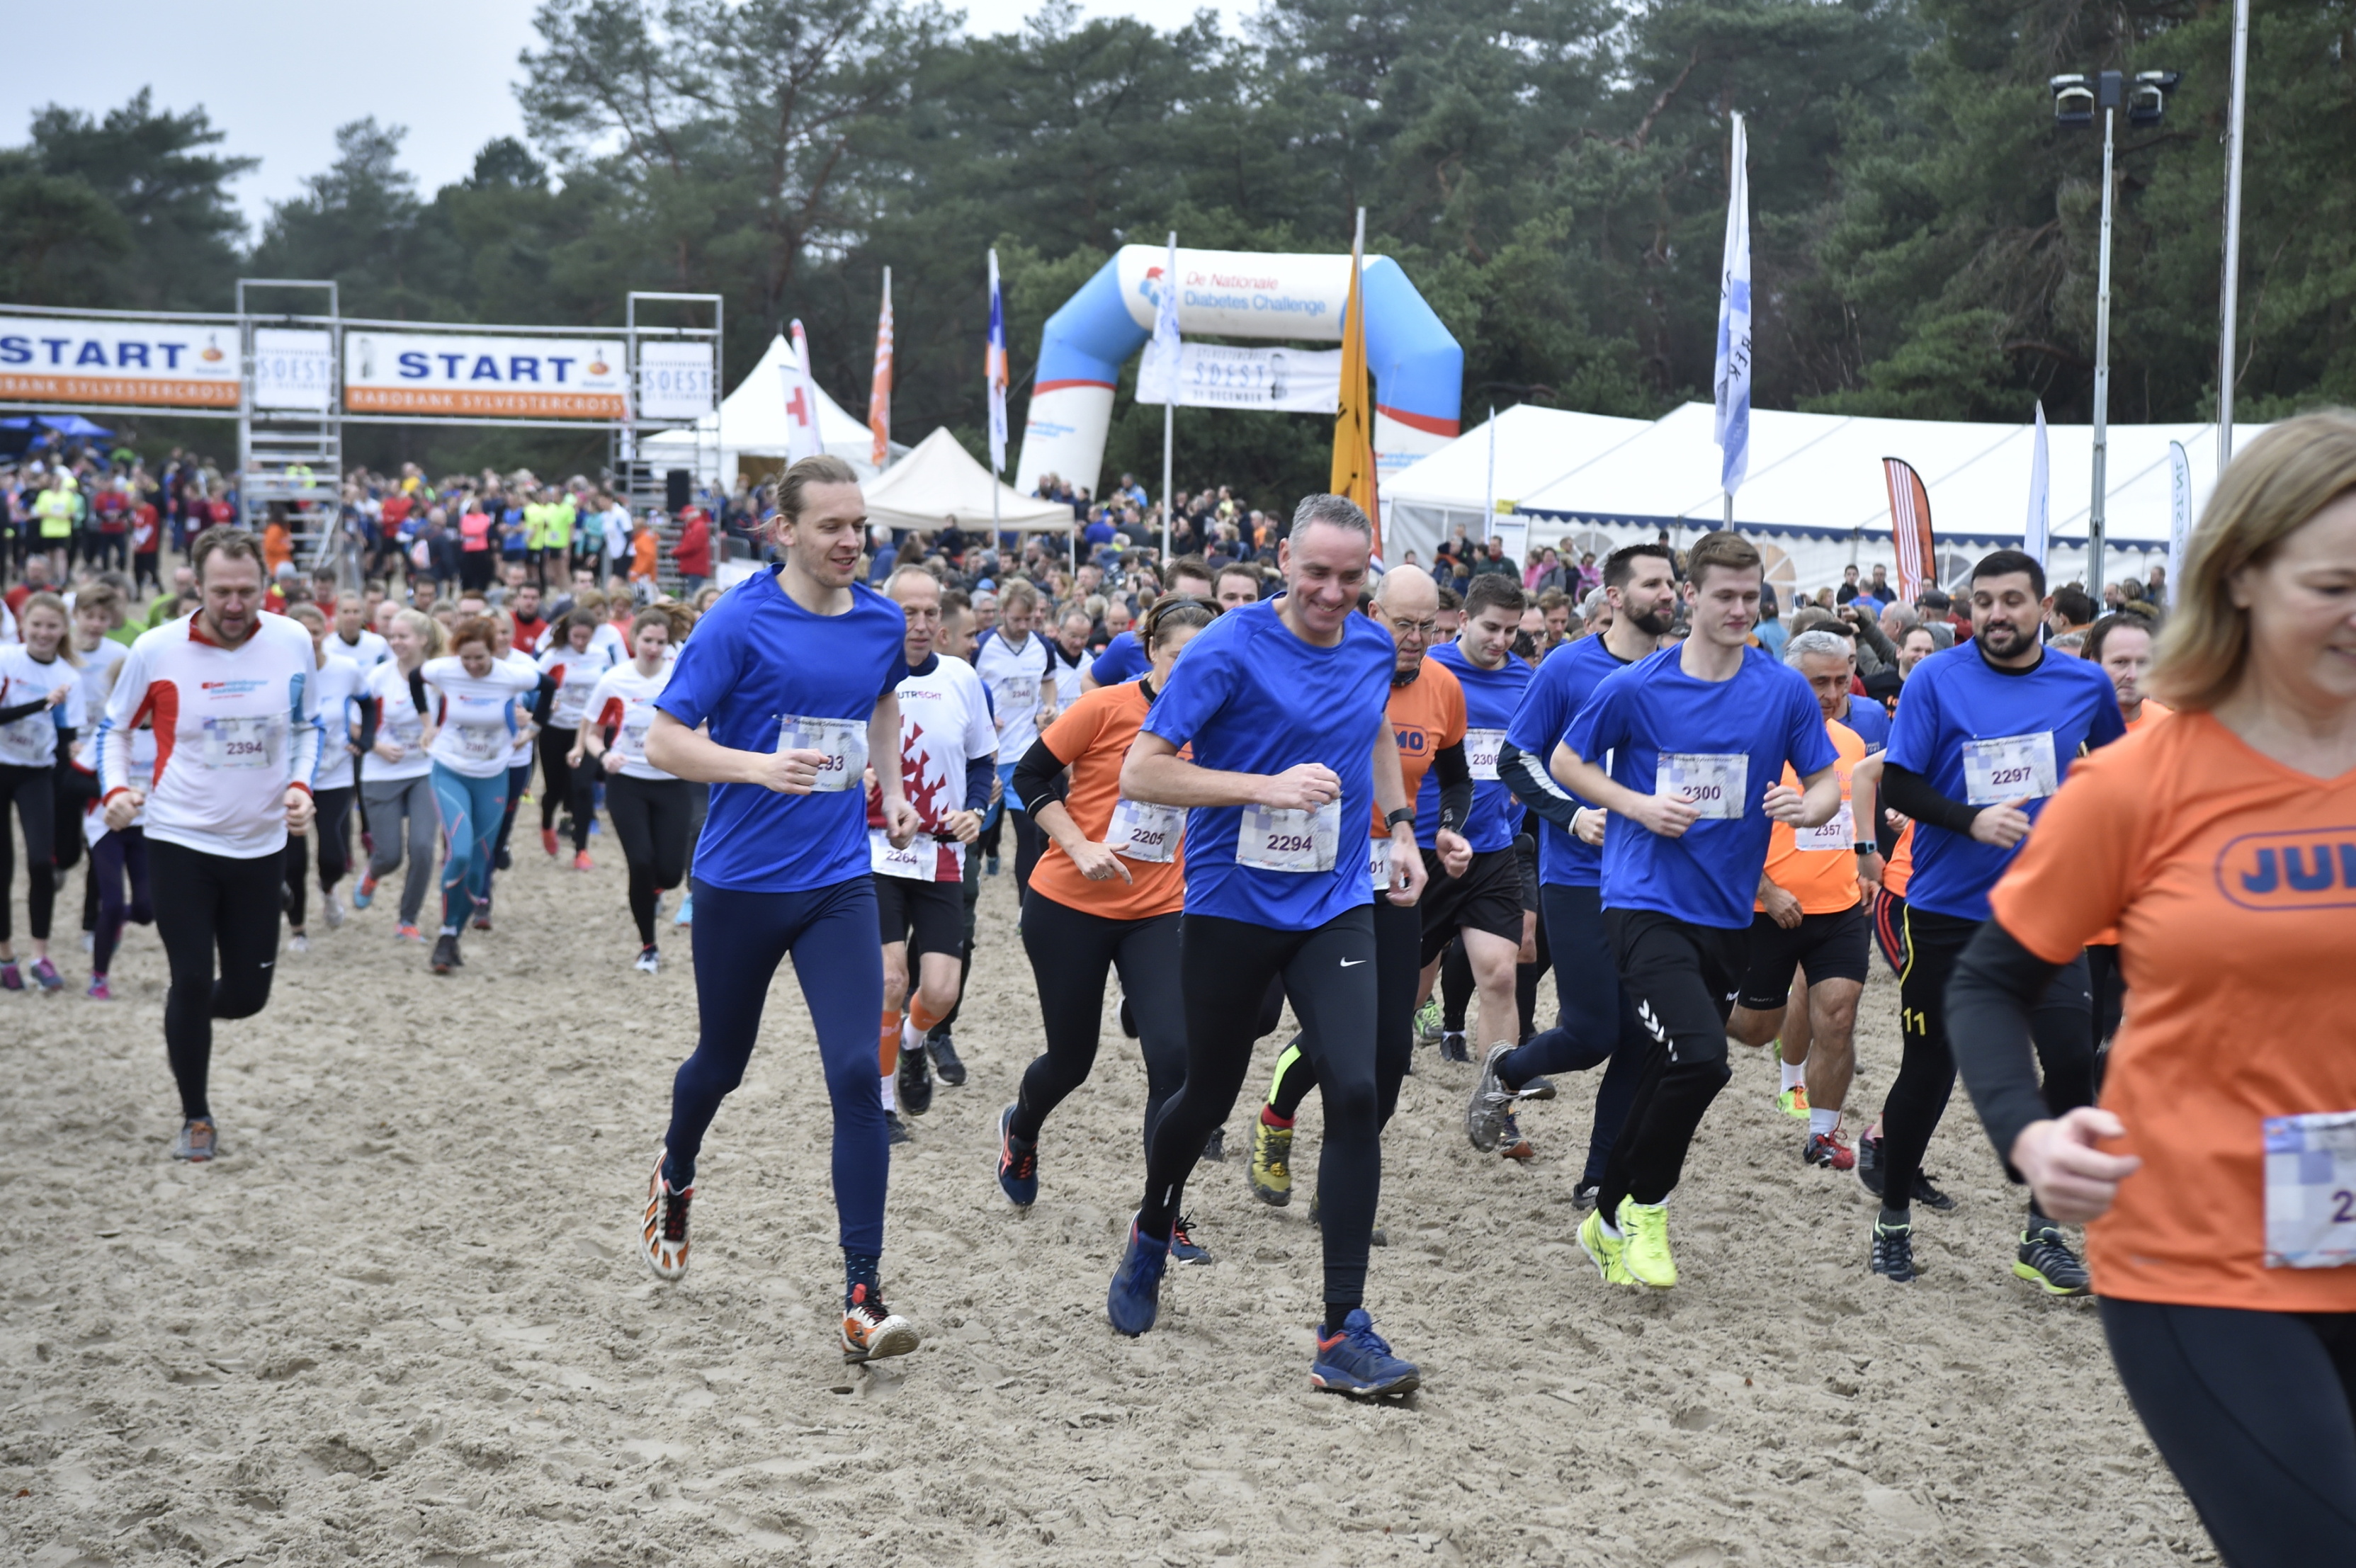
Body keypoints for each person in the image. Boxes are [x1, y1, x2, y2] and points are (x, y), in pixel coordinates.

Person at [1949, 414, 2356, 1566]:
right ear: (2240, 575)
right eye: (2334, 586)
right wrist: (2028, 1133)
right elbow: (1989, 982)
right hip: (2203, 1253)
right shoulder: (2136, 784)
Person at [1103, 494, 1431, 1399]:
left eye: (1349, 577)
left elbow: (1371, 728)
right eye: (1315, 572)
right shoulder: (1226, 648)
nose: (1330, 592)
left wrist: (1400, 825)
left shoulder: (1371, 647)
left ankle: (1340, 1331)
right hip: (1231, 906)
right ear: (1283, 559)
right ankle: (1152, 1225)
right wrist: (1264, 787)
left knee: (1357, 1087)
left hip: (1333, 900)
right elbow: (1142, 771)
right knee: (1205, 1094)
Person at [636, 453, 925, 1367]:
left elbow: (880, 706)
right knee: (719, 1065)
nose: (850, 541)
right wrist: (755, 766)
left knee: (856, 1074)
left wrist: (892, 791)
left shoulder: (880, 620)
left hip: (837, 881)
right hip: (739, 884)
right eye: (831, 526)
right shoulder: (739, 620)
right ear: (784, 530)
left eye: (858, 525)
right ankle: (678, 1169)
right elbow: (664, 741)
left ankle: (862, 1297)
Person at [1551, 530, 1842, 1290]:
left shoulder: (1781, 690)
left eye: (1751, 597)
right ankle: (1647, 1208)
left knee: (1666, 1066)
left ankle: (1603, 1219)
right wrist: (1635, 805)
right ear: (1691, 596)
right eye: (1725, 596)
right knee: (1705, 1057)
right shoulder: (1637, 687)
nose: (1741, 610)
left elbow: (1824, 783)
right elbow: (1565, 761)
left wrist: (1806, 809)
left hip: (1726, 915)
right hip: (1642, 900)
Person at [1866, 548, 2125, 1288]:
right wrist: (1970, 820)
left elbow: (2121, 776)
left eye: (2011, 601)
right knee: (1929, 1071)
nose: (1995, 614)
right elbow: (1899, 783)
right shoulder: (1935, 679)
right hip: (1947, 912)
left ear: (2043, 608)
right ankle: (1892, 1217)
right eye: (1982, 602)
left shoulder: (2083, 684)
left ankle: (2041, 1235)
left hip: (2047, 910)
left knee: (2071, 1061)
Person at [1249, 565, 1469, 1232]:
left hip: (1393, 872)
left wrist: (1447, 830)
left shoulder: (1443, 687)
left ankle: (1340, 1183)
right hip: (1314, 868)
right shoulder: (1329, 668)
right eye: (1404, 624)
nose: (1416, 638)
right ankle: (1277, 1117)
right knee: (1335, 1031)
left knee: (1391, 1049)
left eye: (1429, 627)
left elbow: (1455, 776)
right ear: (1373, 615)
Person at [96, 526, 321, 1161]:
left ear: (266, 585)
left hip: (261, 843)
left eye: (248, 590)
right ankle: (196, 1117)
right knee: (192, 979)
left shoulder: (292, 640)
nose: (235, 604)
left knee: (246, 998)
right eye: (221, 591)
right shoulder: (156, 649)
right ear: (196, 585)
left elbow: (309, 726)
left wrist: (301, 786)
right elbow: (115, 730)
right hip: (180, 838)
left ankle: (184, 1018)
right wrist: (116, 789)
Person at [999, 594, 1214, 1215]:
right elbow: (1029, 776)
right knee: (1071, 1062)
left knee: (1174, 1061)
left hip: (1158, 911)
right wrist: (1077, 843)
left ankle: (1161, 1215)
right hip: (1068, 906)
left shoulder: (1219, 723)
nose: (1191, 672)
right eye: (1178, 657)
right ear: (1151, 652)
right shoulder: (1104, 707)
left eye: (1203, 660)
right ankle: (1021, 1130)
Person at [1493, 542, 1677, 1207]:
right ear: (1615, 595)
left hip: (1654, 882)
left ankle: (1600, 1177)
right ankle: (1506, 1071)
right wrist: (1572, 817)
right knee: (1593, 1033)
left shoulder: (1681, 671)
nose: (1667, 594)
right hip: (1577, 877)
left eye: (1673, 583)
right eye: (1653, 584)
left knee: (1644, 1037)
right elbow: (1515, 759)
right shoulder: (1568, 667)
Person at [1721, 629, 1883, 1170]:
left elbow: (1850, 815)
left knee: (1838, 1015)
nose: (1832, 694)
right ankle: (1694, 1010)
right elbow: (1722, 831)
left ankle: (1823, 1134)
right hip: (1767, 911)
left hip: (1838, 910)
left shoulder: (1851, 743)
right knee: (1755, 1029)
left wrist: (1863, 862)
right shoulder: (1753, 739)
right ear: (1790, 680)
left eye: (1841, 680)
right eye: (1819, 682)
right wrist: (1766, 888)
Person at [869, 567, 995, 1139]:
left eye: (929, 613)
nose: (919, 625)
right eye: (907, 613)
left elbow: (981, 760)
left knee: (941, 992)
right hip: (875, 848)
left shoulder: (962, 678)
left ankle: (914, 1042)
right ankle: (882, 1105)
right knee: (891, 981)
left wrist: (976, 809)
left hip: (941, 854)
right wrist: (855, 775)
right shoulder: (862, 673)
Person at [1412, 574, 1534, 1085]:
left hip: (1492, 848)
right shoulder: (1429, 670)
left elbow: (1537, 749)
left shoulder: (1526, 680)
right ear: (1462, 620)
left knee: (1501, 975)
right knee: (1410, 987)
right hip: (1424, 847)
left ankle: (1497, 1099)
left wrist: (1523, 780)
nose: (1501, 640)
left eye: (1511, 630)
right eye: (1491, 627)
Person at [417, 617, 541, 973]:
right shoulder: (445, 670)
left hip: (492, 778)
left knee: (477, 868)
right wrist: (428, 724)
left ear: (494, 651)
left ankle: (453, 935)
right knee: (458, 853)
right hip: (450, 771)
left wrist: (533, 728)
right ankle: (444, 935)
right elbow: (414, 678)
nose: (472, 666)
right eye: (466, 658)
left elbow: (548, 686)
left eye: (480, 659)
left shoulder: (511, 675)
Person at [577, 609, 686, 971]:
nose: (653, 648)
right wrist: (604, 756)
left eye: (660, 642)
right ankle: (648, 947)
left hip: (671, 781)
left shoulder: (679, 677)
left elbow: (703, 726)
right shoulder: (614, 680)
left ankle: (655, 890)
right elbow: (592, 733)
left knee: (670, 874)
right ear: (634, 639)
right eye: (647, 640)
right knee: (640, 862)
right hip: (626, 782)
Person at [0, 591, 84, 991]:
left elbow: (68, 743)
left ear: (64, 629)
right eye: (37, 625)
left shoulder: (70, 678)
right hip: (0, 767)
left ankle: (40, 956)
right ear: (23, 625)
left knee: (40, 863)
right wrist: (41, 704)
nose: (44, 633)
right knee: (2, 868)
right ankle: (5, 957)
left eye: (52, 626)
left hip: (37, 775)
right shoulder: (6, 659)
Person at [282, 603, 366, 949]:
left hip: (335, 775)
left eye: (315, 632)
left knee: (333, 857)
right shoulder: (277, 673)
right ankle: (298, 930)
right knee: (294, 862)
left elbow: (369, 702)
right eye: (303, 633)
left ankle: (329, 888)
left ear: (325, 632)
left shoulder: (345, 669)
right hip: (289, 781)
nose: (310, 640)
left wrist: (366, 740)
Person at [354, 609, 441, 941]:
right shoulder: (378, 677)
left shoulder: (438, 676)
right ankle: (373, 873)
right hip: (382, 770)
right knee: (389, 855)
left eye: (403, 636)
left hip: (424, 770)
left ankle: (407, 920)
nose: (396, 642)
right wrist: (377, 746)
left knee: (422, 847)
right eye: (392, 636)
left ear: (423, 639)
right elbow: (353, 723)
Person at [972, 579, 1058, 890]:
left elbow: (1048, 680)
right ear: (1003, 612)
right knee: (981, 832)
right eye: (1016, 619)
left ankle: (1025, 907)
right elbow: (965, 687)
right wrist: (981, 715)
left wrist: (1048, 707)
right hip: (989, 756)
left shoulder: (1043, 646)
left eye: (1029, 619)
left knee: (1029, 832)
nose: (1023, 626)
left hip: (1025, 755)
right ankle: (971, 888)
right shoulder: (982, 646)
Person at [536, 609, 614, 868]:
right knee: (555, 790)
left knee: (582, 787)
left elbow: (610, 687)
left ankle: (581, 850)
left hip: (587, 732)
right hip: (555, 729)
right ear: (568, 634)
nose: (580, 642)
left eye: (585, 637)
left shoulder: (601, 656)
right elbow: (535, 687)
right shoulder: (554, 656)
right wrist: (546, 704)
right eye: (576, 637)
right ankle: (547, 823)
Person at [1084, 557, 1216, 690]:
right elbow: (1090, 680)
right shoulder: (1131, 643)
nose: (1195, 609)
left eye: (1204, 603)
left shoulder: (1219, 648)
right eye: (1184, 600)